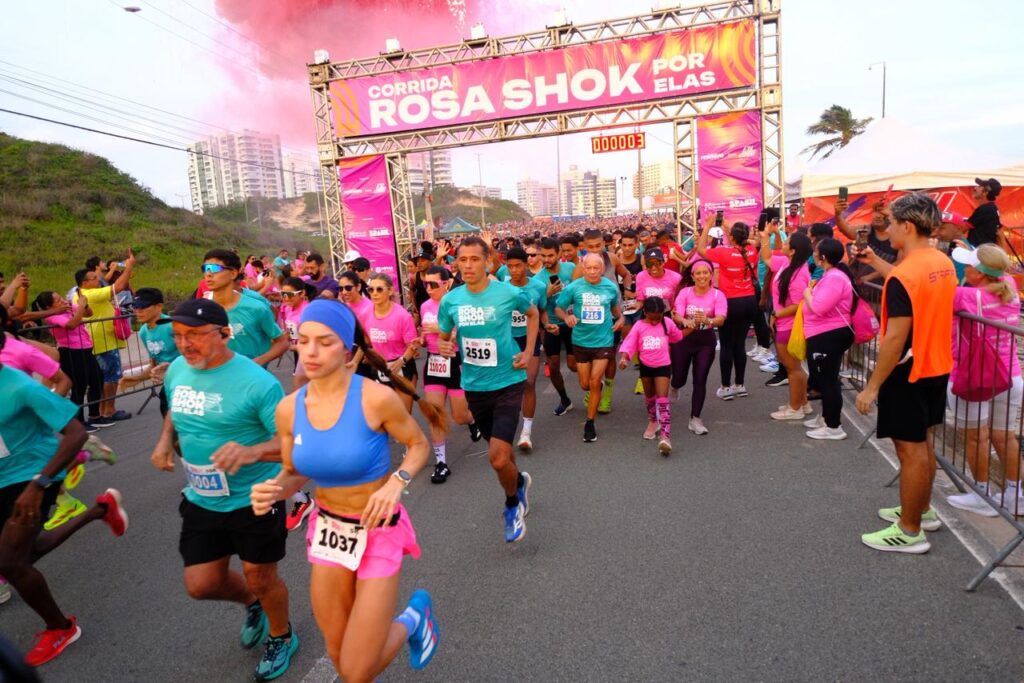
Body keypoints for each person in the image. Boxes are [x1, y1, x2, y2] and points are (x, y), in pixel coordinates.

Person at [249, 300, 442, 681]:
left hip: (378, 529)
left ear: (349, 349)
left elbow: (418, 445)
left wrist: (396, 482)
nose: (312, 351)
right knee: (340, 655)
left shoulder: (375, 398)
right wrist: (274, 490)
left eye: (325, 342)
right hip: (329, 532)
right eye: (303, 341)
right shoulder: (289, 410)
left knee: (355, 671)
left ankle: (413, 618)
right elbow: (295, 471)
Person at [149, 299, 298, 680]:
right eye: (179, 335)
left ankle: (282, 635)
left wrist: (253, 451)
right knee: (202, 585)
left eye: (195, 335)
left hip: (256, 496)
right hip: (202, 496)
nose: (184, 344)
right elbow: (174, 411)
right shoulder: (178, 369)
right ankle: (254, 604)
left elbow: (294, 441)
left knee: (261, 577)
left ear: (224, 334)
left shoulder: (257, 382)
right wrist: (165, 441)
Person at [0, 330, 128, 666]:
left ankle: (60, 627)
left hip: (31, 477)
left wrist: (38, 484)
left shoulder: (18, 386)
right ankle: (99, 511)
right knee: (28, 551)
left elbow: (76, 432)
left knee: (11, 562)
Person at [856, 193, 956, 554]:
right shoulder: (940, 261)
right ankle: (921, 510)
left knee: (910, 450)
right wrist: (878, 264)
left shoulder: (907, 274)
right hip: (936, 364)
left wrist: (872, 387)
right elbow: (909, 284)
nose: (888, 229)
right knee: (923, 443)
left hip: (908, 370)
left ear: (907, 226)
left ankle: (910, 529)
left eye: (893, 223)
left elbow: (896, 336)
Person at [438, 237, 538, 543]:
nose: (467, 265)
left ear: (488, 261)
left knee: (496, 458)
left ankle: (511, 506)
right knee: (504, 455)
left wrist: (529, 349)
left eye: (474, 259)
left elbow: (532, 314)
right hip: (474, 386)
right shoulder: (451, 300)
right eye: (462, 260)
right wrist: (444, 345)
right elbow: (444, 337)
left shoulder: (507, 293)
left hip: (508, 382)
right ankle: (518, 483)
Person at [944, 245, 1022, 516]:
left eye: (969, 266)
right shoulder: (1009, 284)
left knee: (976, 437)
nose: (964, 269)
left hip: (974, 375)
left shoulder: (965, 296)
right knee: (1004, 436)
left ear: (978, 273)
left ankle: (981, 493)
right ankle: (1016, 493)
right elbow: (998, 268)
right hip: (1011, 374)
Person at [419, 266, 478, 483]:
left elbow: (466, 331)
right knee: (434, 414)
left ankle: (473, 421)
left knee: (460, 416)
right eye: (426, 283)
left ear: (446, 283)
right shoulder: (425, 305)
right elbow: (424, 332)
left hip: (455, 362)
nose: (428, 288)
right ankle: (441, 463)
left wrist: (440, 330)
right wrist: (421, 339)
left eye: (433, 284)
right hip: (434, 362)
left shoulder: (457, 302)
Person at [556, 253, 623, 443]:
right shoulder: (573, 288)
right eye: (589, 268)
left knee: (594, 381)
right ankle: (597, 388)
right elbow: (559, 309)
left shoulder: (610, 287)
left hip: (603, 341)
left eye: (596, 268)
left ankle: (590, 423)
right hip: (580, 341)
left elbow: (617, 312)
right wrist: (566, 317)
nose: (592, 272)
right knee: (585, 384)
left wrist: (621, 320)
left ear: (602, 269)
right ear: (583, 268)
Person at [695, 217, 759, 401]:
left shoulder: (723, 252)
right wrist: (727, 227)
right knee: (739, 344)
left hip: (731, 302)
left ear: (731, 236)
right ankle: (740, 385)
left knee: (727, 345)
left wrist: (707, 226)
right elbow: (743, 238)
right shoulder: (752, 250)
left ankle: (725, 386)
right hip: (749, 302)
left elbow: (700, 250)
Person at [800, 238, 857, 440]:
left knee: (828, 381)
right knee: (825, 379)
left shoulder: (834, 278)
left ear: (823, 257)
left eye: (815, 253)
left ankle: (833, 426)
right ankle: (826, 417)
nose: (813, 255)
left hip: (828, 335)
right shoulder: (831, 275)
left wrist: (807, 293)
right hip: (823, 334)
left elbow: (819, 307)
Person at [571, 229, 632, 415]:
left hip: (612, 315)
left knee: (610, 356)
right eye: (591, 247)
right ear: (583, 247)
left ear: (604, 244)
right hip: (588, 322)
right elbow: (573, 292)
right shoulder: (581, 266)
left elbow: (626, 274)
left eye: (598, 245)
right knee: (586, 373)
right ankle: (595, 386)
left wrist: (627, 289)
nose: (595, 249)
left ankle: (607, 394)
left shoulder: (612, 258)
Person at [75, 248, 136, 426]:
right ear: (84, 282)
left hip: (96, 340)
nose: (98, 279)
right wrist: (129, 266)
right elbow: (118, 287)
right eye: (94, 278)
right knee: (111, 376)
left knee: (100, 379)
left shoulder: (80, 293)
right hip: (104, 341)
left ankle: (101, 411)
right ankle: (109, 410)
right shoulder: (90, 294)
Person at [202, 250, 290, 368]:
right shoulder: (202, 309)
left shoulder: (256, 307)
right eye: (205, 268)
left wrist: (256, 363)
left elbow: (282, 342)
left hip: (253, 380)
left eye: (214, 268)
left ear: (233, 273)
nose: (208, 274)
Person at [29, 291, 102, 430]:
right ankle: (78, 421)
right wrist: (80, 307)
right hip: (71, 351)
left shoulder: (69, 307)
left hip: (86, 348)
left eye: (61, 297)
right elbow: (71, 324)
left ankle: (95, 415)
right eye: (57, 300)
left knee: (97, 379)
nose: (62, 301)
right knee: (79, 386)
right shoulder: (52, 317)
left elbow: (89, 313)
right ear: (48, 307)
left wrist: (84, 304)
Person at [619, 297, 682, 454]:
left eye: (658, 317)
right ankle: (653, 421)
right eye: (651, 318)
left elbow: (677, 337)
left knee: (662, 399)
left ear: (663, 313)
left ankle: (665, 437)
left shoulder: (667, 323)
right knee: (650, 398)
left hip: (663, 366)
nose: (655, 322)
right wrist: (624, 358)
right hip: (646, 367)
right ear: (644, 312)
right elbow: (630, 343)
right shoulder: (639, 326)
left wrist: (692, 326)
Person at [763, 229, 814, 420]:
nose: (782, 244)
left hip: (790, 324)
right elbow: (767, 258)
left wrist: (776, 314)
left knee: (793, 368)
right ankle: (802, 403)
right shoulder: (787, 263)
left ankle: (795, 409)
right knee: (794, 367)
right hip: (783, 322)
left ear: (793, 250)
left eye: (786, 242)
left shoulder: (799, 273)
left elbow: (799, 303)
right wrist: (764, 236)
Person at [671, 260, 726, 435]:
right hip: (684, 338)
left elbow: (721, 318)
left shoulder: (718, 295)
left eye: (705, 273)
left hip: (705, 341)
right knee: (679, 377)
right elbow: (677, 313)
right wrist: (684, 320)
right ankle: (675, 385)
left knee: (700, 379)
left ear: (711, 275)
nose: (702, 276)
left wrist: (708, 320)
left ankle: (695, 418)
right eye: (698, 273)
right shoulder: (685, 293)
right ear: (693, 276)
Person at [504, 248, 547, 452]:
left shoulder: (538, 286)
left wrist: (548, 326)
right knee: (511, 387)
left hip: (530, 339)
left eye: (518, 265)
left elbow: (542, 311)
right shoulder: (502, 289)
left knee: (529, 382)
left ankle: (526, 432)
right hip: (507, 341)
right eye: (510, 266)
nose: (514, 270)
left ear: (526, 265)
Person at [115, 288, 180, 416]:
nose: (137, 311)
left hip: (185, 383)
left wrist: (172, 369)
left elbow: (195, 356)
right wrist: (135, 379)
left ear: (159, 306)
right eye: (135, 307)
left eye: (143, 307)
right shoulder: (144, 331)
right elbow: (154, 364)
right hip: (169, 386)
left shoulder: (172, 326)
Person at [362, 273, 420, 413]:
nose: (374, 293)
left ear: (390, 291)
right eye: (371, 290)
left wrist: (401, 361)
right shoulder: (366, 314)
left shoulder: (402, 316)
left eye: (379, 289)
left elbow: (412, 346)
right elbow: (366, 339)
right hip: (380, 368)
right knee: (384, 416)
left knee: (403, 416)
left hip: (402, 368)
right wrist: (368, 355)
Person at [534, 238, 576, 416]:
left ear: (559, 253)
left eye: (550, 255)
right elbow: (535, 306)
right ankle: (565, 400)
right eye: (543, 255)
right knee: (553, 365)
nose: (546, 259)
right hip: (551, 325)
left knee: (574, 366)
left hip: (572, 322)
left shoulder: (571, 269)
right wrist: (547, 293)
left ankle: (593, 384)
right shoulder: (538, 279)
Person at [967, 177, 1002, 247]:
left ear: (986, 192)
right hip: (985, 251)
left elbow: (963, 228)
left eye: (979, 186)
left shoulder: (985, 209)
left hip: (979, 252)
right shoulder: (992, 208)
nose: (975, 188)